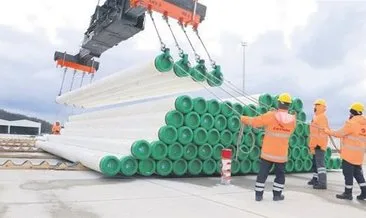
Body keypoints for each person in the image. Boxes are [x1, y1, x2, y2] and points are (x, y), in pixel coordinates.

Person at [240, 93, 296, 201]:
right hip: (281, 154)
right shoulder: (293, 120)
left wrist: (243, 118)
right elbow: (290, 131)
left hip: (268, 153)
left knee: (263, 173)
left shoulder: (271, 115)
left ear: (278, 102)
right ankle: (277, 195)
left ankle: (259, 195)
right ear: (289, 105)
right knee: (280, 175)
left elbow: (255, 122)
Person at [324, 102, 366, 200]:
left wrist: (327, 131)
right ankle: (364, 192)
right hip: (359, 155)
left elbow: (339, 133)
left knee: (348, 174)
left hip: (349, 155)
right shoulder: (364, 124)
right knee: (358, 174)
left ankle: (348, 193)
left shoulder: (351, 123)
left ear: (352, 112)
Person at [307, 99, 329, 189]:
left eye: (316, 106)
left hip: (319, 144)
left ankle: (322, 183)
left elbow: (322, 133)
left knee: (320, 165)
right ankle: (315, 179)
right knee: (316, 164)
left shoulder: (321, 117)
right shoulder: (316, 117)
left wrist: (318, 144)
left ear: (319, 106)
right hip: (315, 144)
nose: (314, 107)